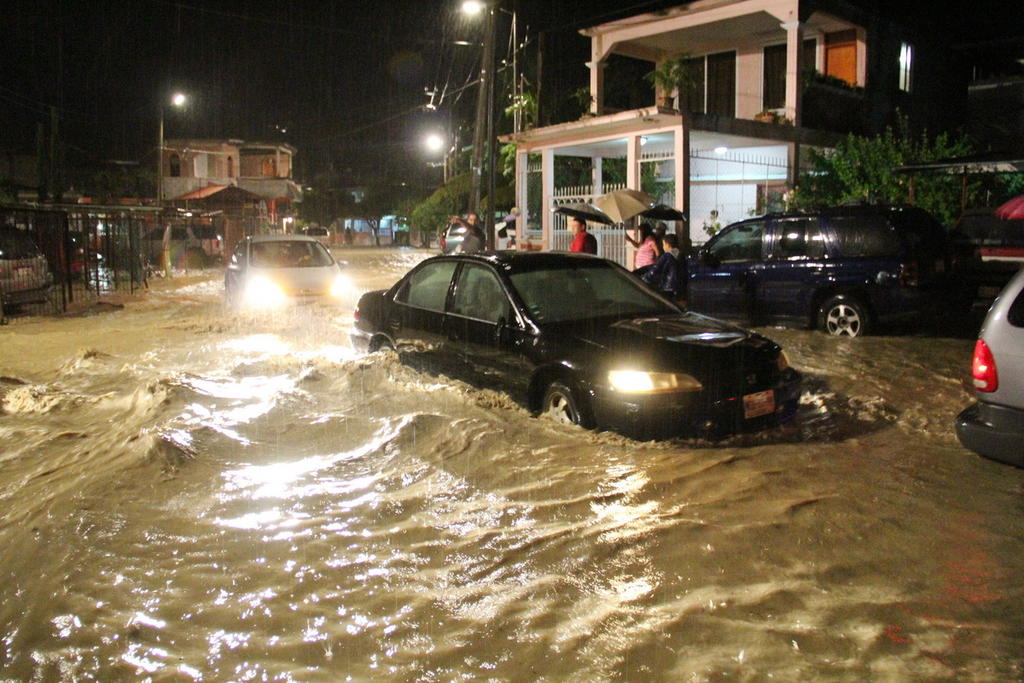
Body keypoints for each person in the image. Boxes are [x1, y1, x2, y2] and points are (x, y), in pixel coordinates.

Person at [642, 233, 684, 300]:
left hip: (668, 288)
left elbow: (655, 270)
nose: (663, 247)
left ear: (668, 245)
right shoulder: (680, 255)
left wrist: (643, 278)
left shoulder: (667, 256)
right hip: (679, 289)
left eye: (663, 244)